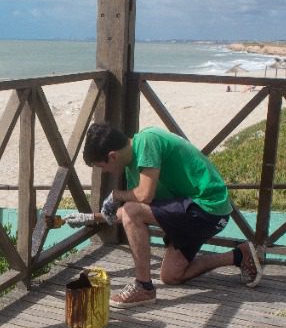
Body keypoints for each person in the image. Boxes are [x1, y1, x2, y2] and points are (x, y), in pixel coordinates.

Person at [82, 122, 262, 307]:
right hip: (192, 213)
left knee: (131, 210)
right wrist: (91, 218)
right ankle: (239, 255)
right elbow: (133, 214)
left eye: (101, 166)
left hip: (208, 207)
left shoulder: (146, 140)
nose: (104, 172)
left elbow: (142, 198)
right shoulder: (133, 170)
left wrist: (115, 195)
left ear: (112, 156)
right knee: (171, 275)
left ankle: (143, 287)